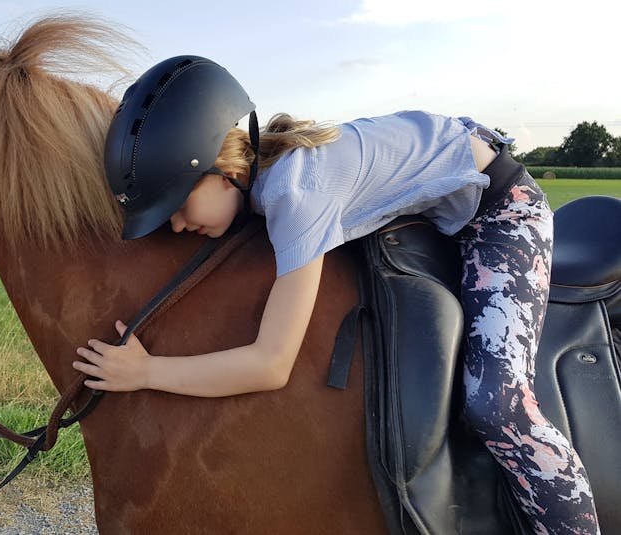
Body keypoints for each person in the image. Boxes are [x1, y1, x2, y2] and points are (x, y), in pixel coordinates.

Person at [73, 55, 600, 533]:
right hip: (445, 201)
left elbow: (270, 364)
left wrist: (145, 372)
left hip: (501, 212)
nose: (175, 223)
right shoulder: (268, 179)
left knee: (496, 401)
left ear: (228, 172)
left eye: (178, 203)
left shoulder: (295, 192)